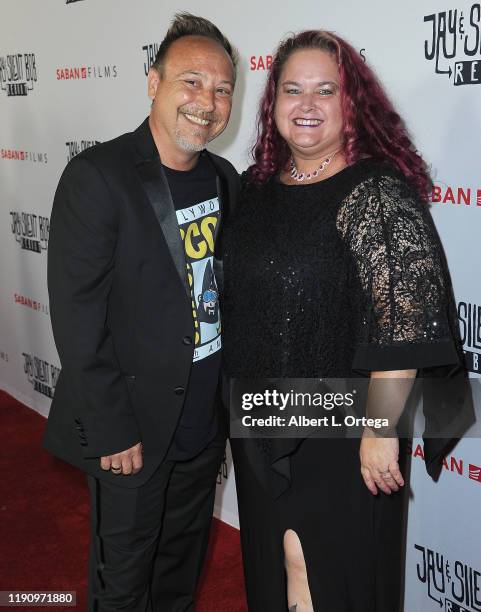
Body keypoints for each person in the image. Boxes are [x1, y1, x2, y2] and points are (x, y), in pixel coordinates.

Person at [222, 30, 468, 611]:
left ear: (351, 103)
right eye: (292, 90)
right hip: (261, 423)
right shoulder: (257, 191)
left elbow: (405, 324)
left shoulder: (375, 192)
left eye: (325, 91)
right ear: (272, 102)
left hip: (345, 432)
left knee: (322, 575)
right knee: (277, 570)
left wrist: (381, 431)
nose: (306, 105)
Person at [43, 13, 239, 611]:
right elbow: (77, 316)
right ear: (153, 82)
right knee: (124, 581)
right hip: (132, 430)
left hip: (202, 423)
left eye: (223, 89)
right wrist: (111, 429)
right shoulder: (98, 176)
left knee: (179, 571)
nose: (207, 102)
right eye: (192, 82)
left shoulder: (225, 179)